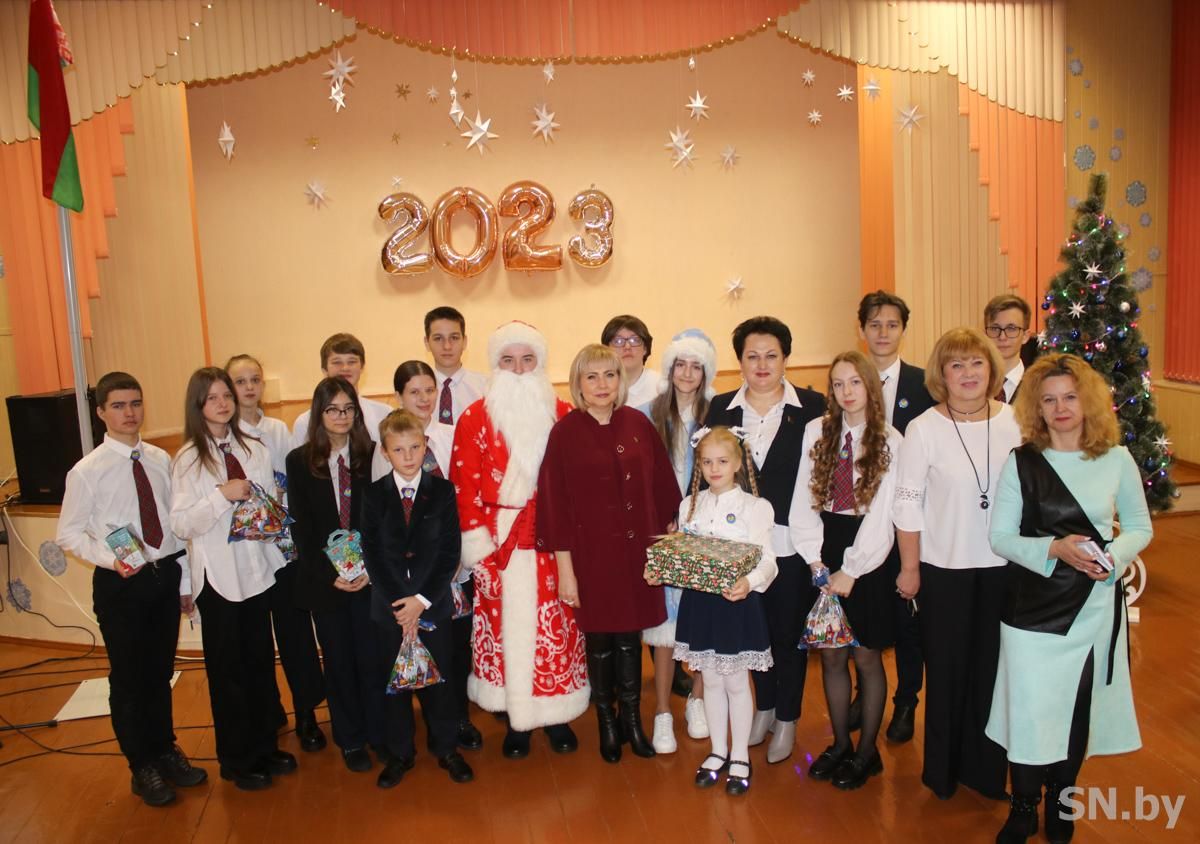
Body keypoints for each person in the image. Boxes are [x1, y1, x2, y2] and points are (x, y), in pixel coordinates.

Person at [987, 354, 1152, 844]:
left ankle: (1061, 801)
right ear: (1036, 408)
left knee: (1076, 710)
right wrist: (1054, 549)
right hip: (1030, 609)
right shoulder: (1021, 462)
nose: (1060, 408)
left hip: (1091, 605)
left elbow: (1140, 527)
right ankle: (1023, 805)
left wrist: (1110, 558)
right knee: (1029, 711)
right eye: (1049, 399)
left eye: (1070, 397)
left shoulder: (1116, 459)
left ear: (1088, 402)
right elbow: (1000, 538)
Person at [56, 372, 207, 807]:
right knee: (129, 678)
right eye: (119, 405)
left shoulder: (160, 459)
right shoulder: (87, 471)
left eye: (135, 403)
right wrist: (112, 559)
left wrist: (184, 582)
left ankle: (164, 749)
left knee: (160, 673)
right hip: (121, 585)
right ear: (102, 412)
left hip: (164, 577)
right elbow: (69, 534)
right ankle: (141, 765)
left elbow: (174, 528)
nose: (129, 413)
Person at [892, 328, 1022, 801]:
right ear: (941, 375)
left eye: (977, 363)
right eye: (957, 365)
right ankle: (943, 773)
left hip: (1006, 567)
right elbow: (906, 504)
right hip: (943, 568)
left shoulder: (1016, 421)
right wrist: (909, 568)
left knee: (993, 672)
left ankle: (986, 773)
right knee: (946, 671)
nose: (968, 373)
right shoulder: (923, 428)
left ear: (992, 369)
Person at [451, 321, 590, 759]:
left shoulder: (563, 414)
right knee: (503, 626)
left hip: (553, 539)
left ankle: (556, 713)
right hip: (499, 542)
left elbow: (580, 482)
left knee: (557, 624)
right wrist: (478, 547)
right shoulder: (475, 418)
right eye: (507, 360)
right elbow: (463, 485)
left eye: (527, 359)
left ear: (540, 363)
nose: (517, 369)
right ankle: (516, 720)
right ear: (495, 365)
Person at [537, 344, 682, 763]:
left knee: (631, 641)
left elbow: (663, 487)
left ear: (620, 381)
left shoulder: (637, 423)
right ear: (578, 384)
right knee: (599, 641)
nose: (602, 385)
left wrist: (666, 545)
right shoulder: (564, 434)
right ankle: (606, 721)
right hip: (591, 558)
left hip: (637, 555)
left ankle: (631, 720)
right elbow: (555, 507)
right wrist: (566, 571)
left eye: (610, 375)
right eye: (592, 376)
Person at [705, 316, 825, 764]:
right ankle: (765, 708)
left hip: (792, 543)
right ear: (739, 361)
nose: (762, 364)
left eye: (771, 355)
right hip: (739, 545)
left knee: (787, 634)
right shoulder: (721, 407)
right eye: (752, 356)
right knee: (754, 633)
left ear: (786, 358)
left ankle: (788, 718)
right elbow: (707, 470)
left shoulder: (813, 406)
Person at [169, 367, 295, 791]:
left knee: (260, 665)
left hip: (257, 572)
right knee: (229, 675)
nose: (223, 404)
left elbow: (267, 504)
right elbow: (181, 524)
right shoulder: (188, 459)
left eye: (226, 395)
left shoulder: (254, 448)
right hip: (219, 579)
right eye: (212, 398)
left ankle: (265, 746)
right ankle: (237, 760)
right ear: (198, 405)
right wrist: (220, 496)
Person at [789, 351, 902, 790]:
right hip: (825, 546)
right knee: (832, 654)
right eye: (838, 384)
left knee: (866, 657)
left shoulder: (890, 440)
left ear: (870, 386)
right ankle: (840, 744)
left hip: (868, 553)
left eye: (854, 382)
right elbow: (804, 498)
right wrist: (814, 557)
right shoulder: (817, 431)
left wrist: (852, 570)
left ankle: (867, 752)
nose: (846, 392)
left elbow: (884, 515)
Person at [363, 410, 473, 788]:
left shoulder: (442, 491)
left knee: (440, 680)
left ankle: (446, 748)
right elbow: (373, 554)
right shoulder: (373, 495)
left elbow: (449, 552)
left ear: (425, 446)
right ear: (385, 452)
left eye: (414, 447)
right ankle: (400, 753)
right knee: (394, 683)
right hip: (390, 610)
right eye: (398, 450)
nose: (408, 456)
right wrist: (401, 604)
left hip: (433, 604)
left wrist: (421, 600)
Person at [285, 377, 386, 774]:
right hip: (326, 582)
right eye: (332, 409)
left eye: (348, 409)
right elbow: (302, 528)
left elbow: (382, 520)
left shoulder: (372, 455)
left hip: (368, 580)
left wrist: (369, 570)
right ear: (319, 413)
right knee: (339, 661)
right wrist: (332, 574)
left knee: (371, 658)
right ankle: (351, 739)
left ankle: (378, 732)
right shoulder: (300, 461)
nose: (341, 416)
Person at [227, 354, 326, 754]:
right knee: (254, 641)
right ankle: (268, 713)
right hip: (244, 554)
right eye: (240, 381)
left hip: (284, 550)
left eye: (255, 379)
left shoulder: (277, 430)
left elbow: (295, 481)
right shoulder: (221, 437)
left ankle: (306, 713)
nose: (249, 387)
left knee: (296, 634)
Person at [670, 427, 778, 796]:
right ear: (699, 465)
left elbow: (768, 560)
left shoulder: (756, 507)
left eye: (722, 461)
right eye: (706, 462)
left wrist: (749, 581)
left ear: (737, 464)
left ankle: (740, 754)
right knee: (711, 680)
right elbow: (684, 557)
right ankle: (717, 751)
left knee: (735, 681)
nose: (714, 469)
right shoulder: (690, 505)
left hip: (737, 604)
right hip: (701, 604)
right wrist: (664, 569)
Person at [856, 291, 935, 742]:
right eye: (874, 324)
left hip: (909, 519)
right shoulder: (848, 379)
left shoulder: (925, 385)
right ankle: (862, 694)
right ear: (862, 330)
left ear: (903, 329)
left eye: (892, 324)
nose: (883, 333)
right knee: (862, 614)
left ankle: (906, 700)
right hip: (860, 520)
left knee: (908, 616)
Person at [393, 358, 481, 751]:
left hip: (454, 562)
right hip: (411, 570)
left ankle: (459, 718)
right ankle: (425, 724)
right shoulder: (388, 443)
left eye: (429, 390)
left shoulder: (452, 434)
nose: (424, 398)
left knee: (456, 644)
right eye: (414, 391)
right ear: (399, 396)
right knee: (419, 644)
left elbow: (465, 492)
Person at [638, 329, 717, 749]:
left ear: (706, 372)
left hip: (706, 532)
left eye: (696, 366)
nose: (687, 373)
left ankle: (698, 700)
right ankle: (663, 711)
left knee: (701, 623)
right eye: (680, 365)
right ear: (669, 369)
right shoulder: (648, 415)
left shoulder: (717, 414)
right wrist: (660, 521)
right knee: (664, 629)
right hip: (663, 533)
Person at [291, 333, 393, 448]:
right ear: (324, 370)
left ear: (362, 367)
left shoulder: (384, 414)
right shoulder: (305, 422)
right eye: (337, 362)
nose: (345, 368)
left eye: (352, 362)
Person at [424, 306, 488, 427]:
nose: (447, 346)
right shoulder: (417, 393)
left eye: (454, 338)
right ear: (427, 343)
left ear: (464, 341)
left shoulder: (485, 388)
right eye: (438, 338)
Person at [602, 314, 663, 408]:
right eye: (618, 341)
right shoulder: (599, 387)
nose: (627, 346)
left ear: (645, 348)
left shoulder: (661, 386)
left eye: (635, 340)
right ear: (606, 349)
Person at [983, 295, 1033, 404]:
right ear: (985, 334)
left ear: (1025, 336)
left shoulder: (1038, 385)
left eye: (1011, 328)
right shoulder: (973, 384)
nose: (1002, 337)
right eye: (995, 328)